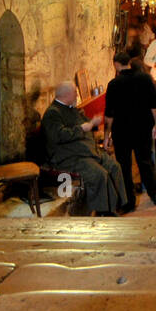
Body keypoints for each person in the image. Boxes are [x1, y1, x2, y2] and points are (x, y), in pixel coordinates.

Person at [41, 81, 127, 215]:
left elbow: (86, 123)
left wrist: (93, 123)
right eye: (75, 93)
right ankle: (103, 211)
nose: (77, 96)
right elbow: (58, 135)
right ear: (67, 94)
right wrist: (82, 128)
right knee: (99, 174)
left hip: (85, 150)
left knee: (114, 166)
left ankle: (118, 205)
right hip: (68, 156)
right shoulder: (52, 113)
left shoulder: (71, 108)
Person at [103, 52, 156, 210]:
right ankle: (154, 194)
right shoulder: (145, 79)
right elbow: (154, 106)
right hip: (143, 128)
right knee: (145, 161)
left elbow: (109, 114)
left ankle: (129, 201)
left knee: (124, 165)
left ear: (115, 64)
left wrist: (106, 136)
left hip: (122, 131)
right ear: (129, 62)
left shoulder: (114, 84)